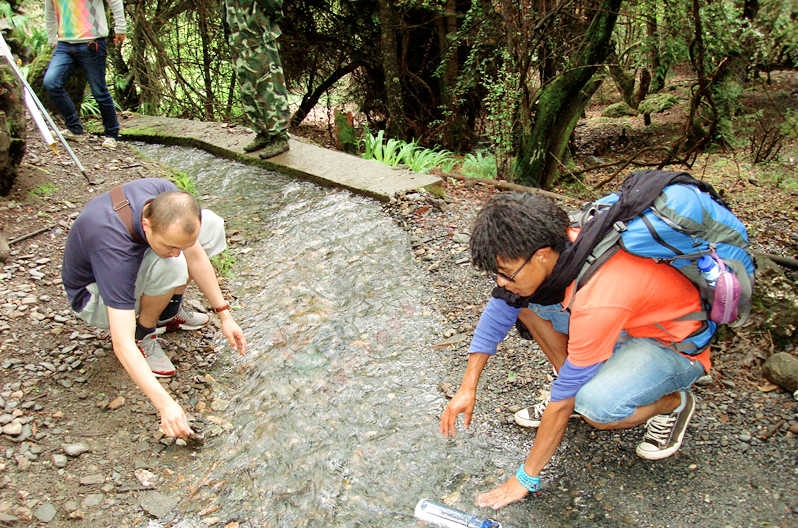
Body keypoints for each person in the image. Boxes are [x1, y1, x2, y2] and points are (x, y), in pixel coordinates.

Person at [440, 191, 710, 510]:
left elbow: (564, 399)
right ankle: (581, 378)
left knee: (594, 405)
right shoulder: (564, 246)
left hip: (672, 342)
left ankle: (673, 402)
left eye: (506, 271)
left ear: (541, 255)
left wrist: (524, 478)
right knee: (523, 303)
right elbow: (501, 307)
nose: (501, 281)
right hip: (626, 323)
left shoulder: (599, 295)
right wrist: (467, 387)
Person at [62, 178, 247, 438]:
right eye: (170, 245)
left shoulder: (162, 192)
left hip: (132, 259)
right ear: (146, 224)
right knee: (172, 266)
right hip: (92, 298)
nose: (176, 251)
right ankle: (145, 332)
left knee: (212, 225)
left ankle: (169, 311)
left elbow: (192, 251)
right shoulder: (114, 249)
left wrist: (225, 315)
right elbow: (121, 343)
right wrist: (166, 404)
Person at [43, 0, 124, 149]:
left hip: (92, 42)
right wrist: (52, 38)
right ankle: (74, 129)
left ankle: (112, 134)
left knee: (99, 91)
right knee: (51, 82)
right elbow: (50, 11)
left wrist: (121, 27)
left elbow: (115, 1)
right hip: (64, 44)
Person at [224, 0, 291, 159]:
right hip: (239, 41)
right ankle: (262, 133)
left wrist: (265, 22)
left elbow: (274, 5)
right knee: (248, 91)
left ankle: (279, 137)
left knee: (268, 89)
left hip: (260, 39)